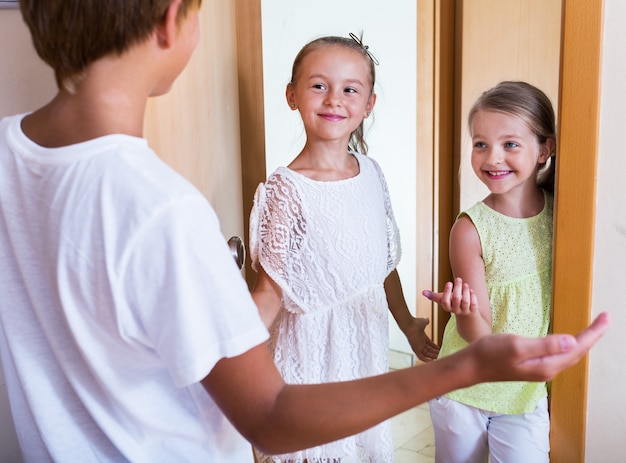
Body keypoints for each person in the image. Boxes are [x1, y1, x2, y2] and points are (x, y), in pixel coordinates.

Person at [0, 1, 610, 461]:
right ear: (169, 23)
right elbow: (269, 408)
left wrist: (411, 328)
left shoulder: (6, 153)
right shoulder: (165, 210)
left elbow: (376, 268)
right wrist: (466, 366)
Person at [249, 33, 440, 462]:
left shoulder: (371, 173)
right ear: (292, 95)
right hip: (310, 354)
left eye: (350, 89)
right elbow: (269, 291)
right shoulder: (286, 188)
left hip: (363, 346)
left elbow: (381, 265)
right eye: (319, 85)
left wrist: (407, 323)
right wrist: (233, 354)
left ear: (368, 103)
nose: (334, 98)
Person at [426, 81, 560, 463]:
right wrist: (465, 314)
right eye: (480, 143)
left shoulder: (561, 216)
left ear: (544, 149)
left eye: (510, 144)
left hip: (523, 393)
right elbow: (478, 334)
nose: (492, 157)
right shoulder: (470, 229)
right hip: (463, 390)